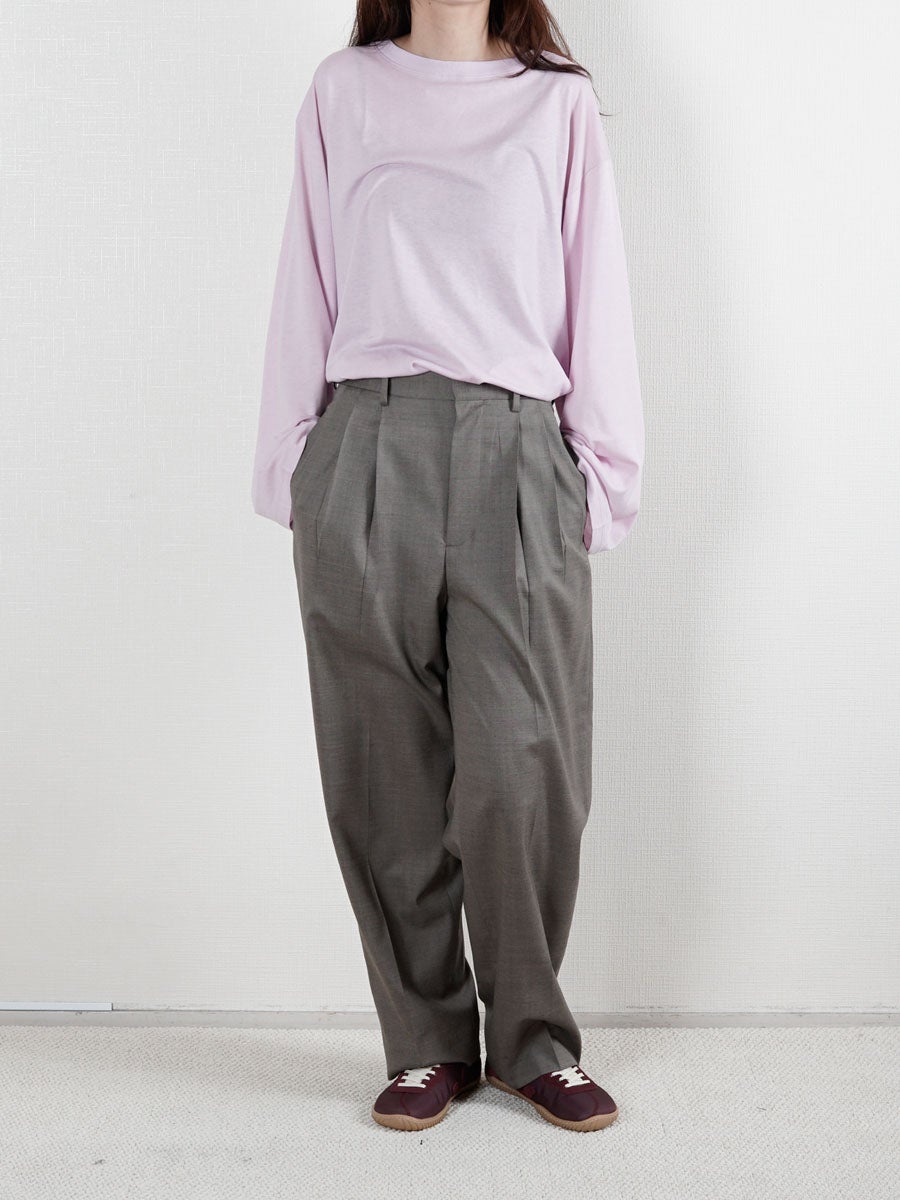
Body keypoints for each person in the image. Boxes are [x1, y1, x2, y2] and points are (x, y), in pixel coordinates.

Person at [251, 0, 644, 1134]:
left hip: (519, 446)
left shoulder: (557, 104)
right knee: (385, 771)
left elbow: (597, 286)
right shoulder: (344, 90)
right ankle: (426, 1045)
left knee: (526, 766)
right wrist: (297, 464)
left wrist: (601, 475)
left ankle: (532, 1042)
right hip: (366, 439)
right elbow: (306, 274)